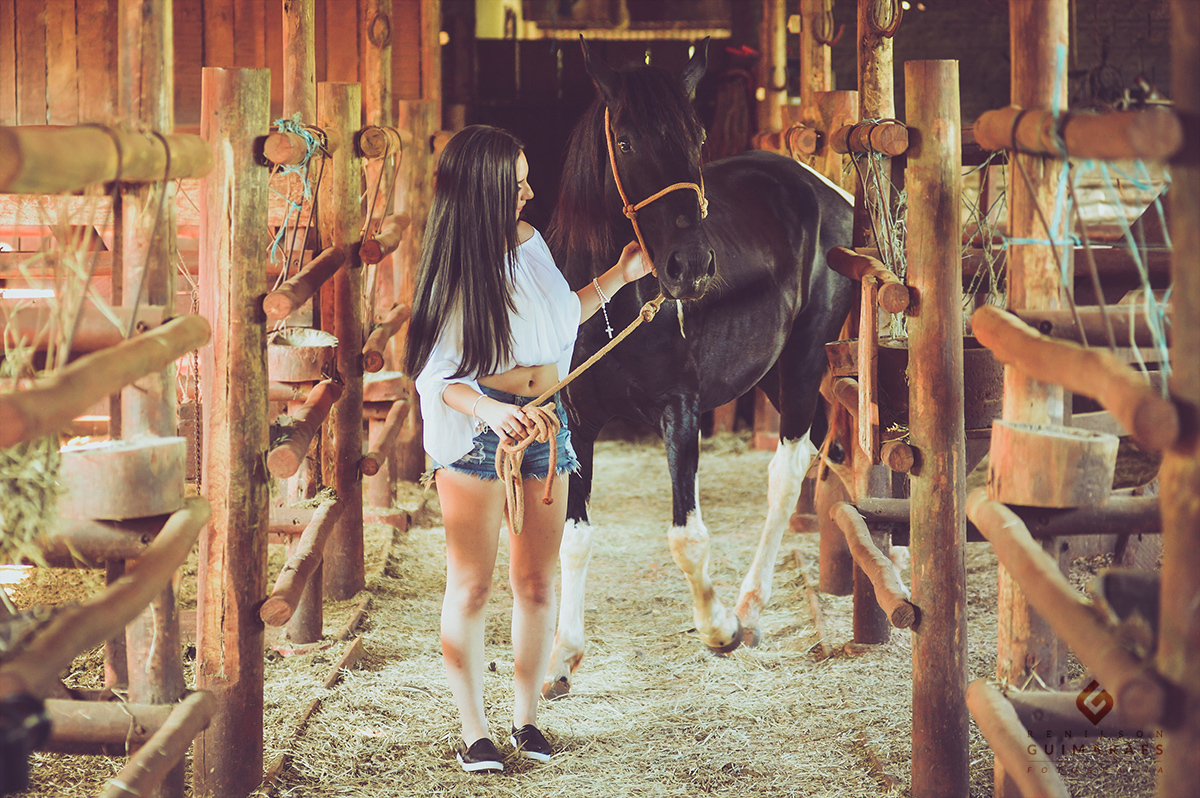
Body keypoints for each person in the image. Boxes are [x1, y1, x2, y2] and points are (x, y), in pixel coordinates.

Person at [403, 125, 649, 773]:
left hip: (547, 428)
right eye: (516, 185)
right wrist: (488, 410)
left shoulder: (530, 241)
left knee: (538, 583)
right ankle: (474, 731)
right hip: (481, 437)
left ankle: (526, 718)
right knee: (472, 586)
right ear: (485, 191)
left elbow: (562, 313)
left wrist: (622, 276)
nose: (530, 193)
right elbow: (434, 375)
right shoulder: (457, 266)